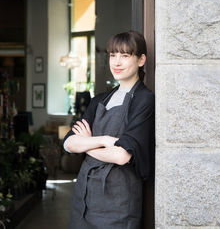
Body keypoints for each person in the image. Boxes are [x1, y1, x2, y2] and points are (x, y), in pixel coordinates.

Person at [63, 31, 155, 229]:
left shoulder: (143, 100)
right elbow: (69, 143)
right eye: (113, 55)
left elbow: (122, 156)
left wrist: (86, 145)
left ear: (141, 60)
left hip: (118, 201)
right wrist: (104, 140)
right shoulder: (99, 100)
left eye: (125, 55)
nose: (117, 62)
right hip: (85, 197)